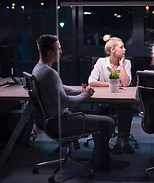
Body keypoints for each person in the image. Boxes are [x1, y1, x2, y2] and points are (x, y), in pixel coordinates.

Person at [32, 34, 115, 171]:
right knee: (108, 122)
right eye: (58, 49)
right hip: (59, 122)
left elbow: (60, 88)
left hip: (49, 121)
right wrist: (84, 95)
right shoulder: (50, 73)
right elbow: (65, 101)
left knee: (98, 118)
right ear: (49, 52)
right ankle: (99, 163)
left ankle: (99, 158)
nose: (61, 52)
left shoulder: (38, 69)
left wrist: (79, 92)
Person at [88, 34, 135, 154]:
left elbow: (125, 83)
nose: (124, 50)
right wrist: (110, 84)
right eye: (121, 47)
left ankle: (122, 141)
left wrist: (121, 66)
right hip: (104, 102)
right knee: (98, 113)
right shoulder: (101, 62)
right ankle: (100, 145)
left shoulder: (127, 63)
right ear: (113, 50)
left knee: (126, 110)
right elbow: (91, 81)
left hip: (120, 101)